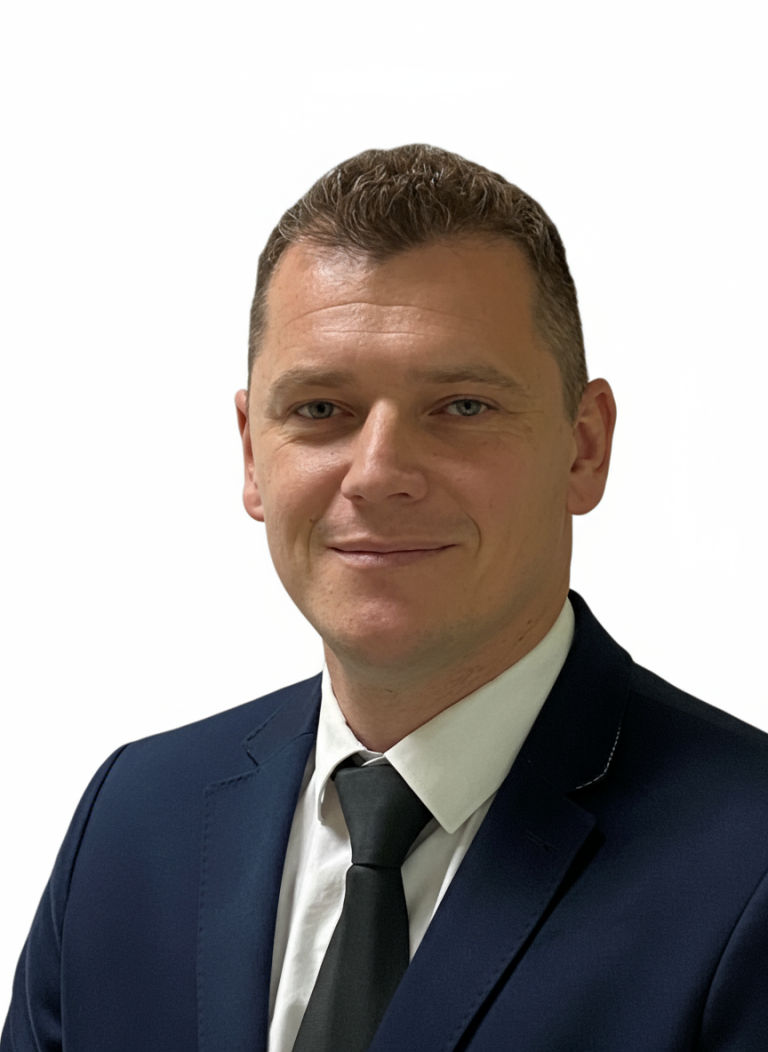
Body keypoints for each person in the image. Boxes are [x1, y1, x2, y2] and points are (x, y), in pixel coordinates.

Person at [3, 144, 768, 1052]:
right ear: (251, 454)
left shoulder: (749, 863)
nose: (377, 473)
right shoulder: (133, 819)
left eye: (462, 406)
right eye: (320, 410)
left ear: (584, 447)